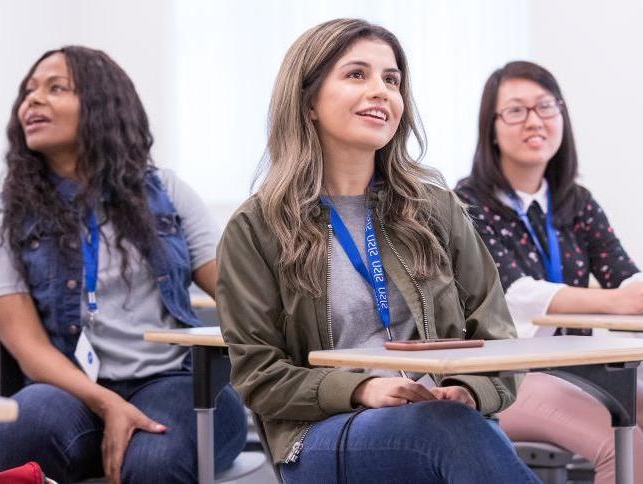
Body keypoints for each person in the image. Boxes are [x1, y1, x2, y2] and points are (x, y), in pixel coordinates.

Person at [216, 19, 540, 483]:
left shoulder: (435, 207)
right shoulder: (257, 227)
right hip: (322, 431)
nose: (381, 91)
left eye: (391, 80)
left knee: (450, 426)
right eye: (356, 75)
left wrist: (470, 391)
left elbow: (497, 333)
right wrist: (362, 387)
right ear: (308, 102)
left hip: (444, 419)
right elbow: (259, 376)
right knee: (445, 431)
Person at [0, 46, 246, 484]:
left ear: (103, 105)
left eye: (56, 88)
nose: (33, 101)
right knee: (22, 429)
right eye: (28, 91)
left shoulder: (167, 191)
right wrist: (108, 404)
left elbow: (237, 294)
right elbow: (30, 350)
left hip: (174, 380)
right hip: (69, 389)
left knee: (154, 462)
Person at [456, 60, 643, 484]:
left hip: (579, 368)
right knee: (624, 443)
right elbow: (512, 292)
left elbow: (623, 273)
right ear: (491, 128)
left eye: (545, 107)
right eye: (516, 110)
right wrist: (617, 301)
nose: (534, 121)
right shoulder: (467, 202)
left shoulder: (576, 201)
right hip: (506, 376)